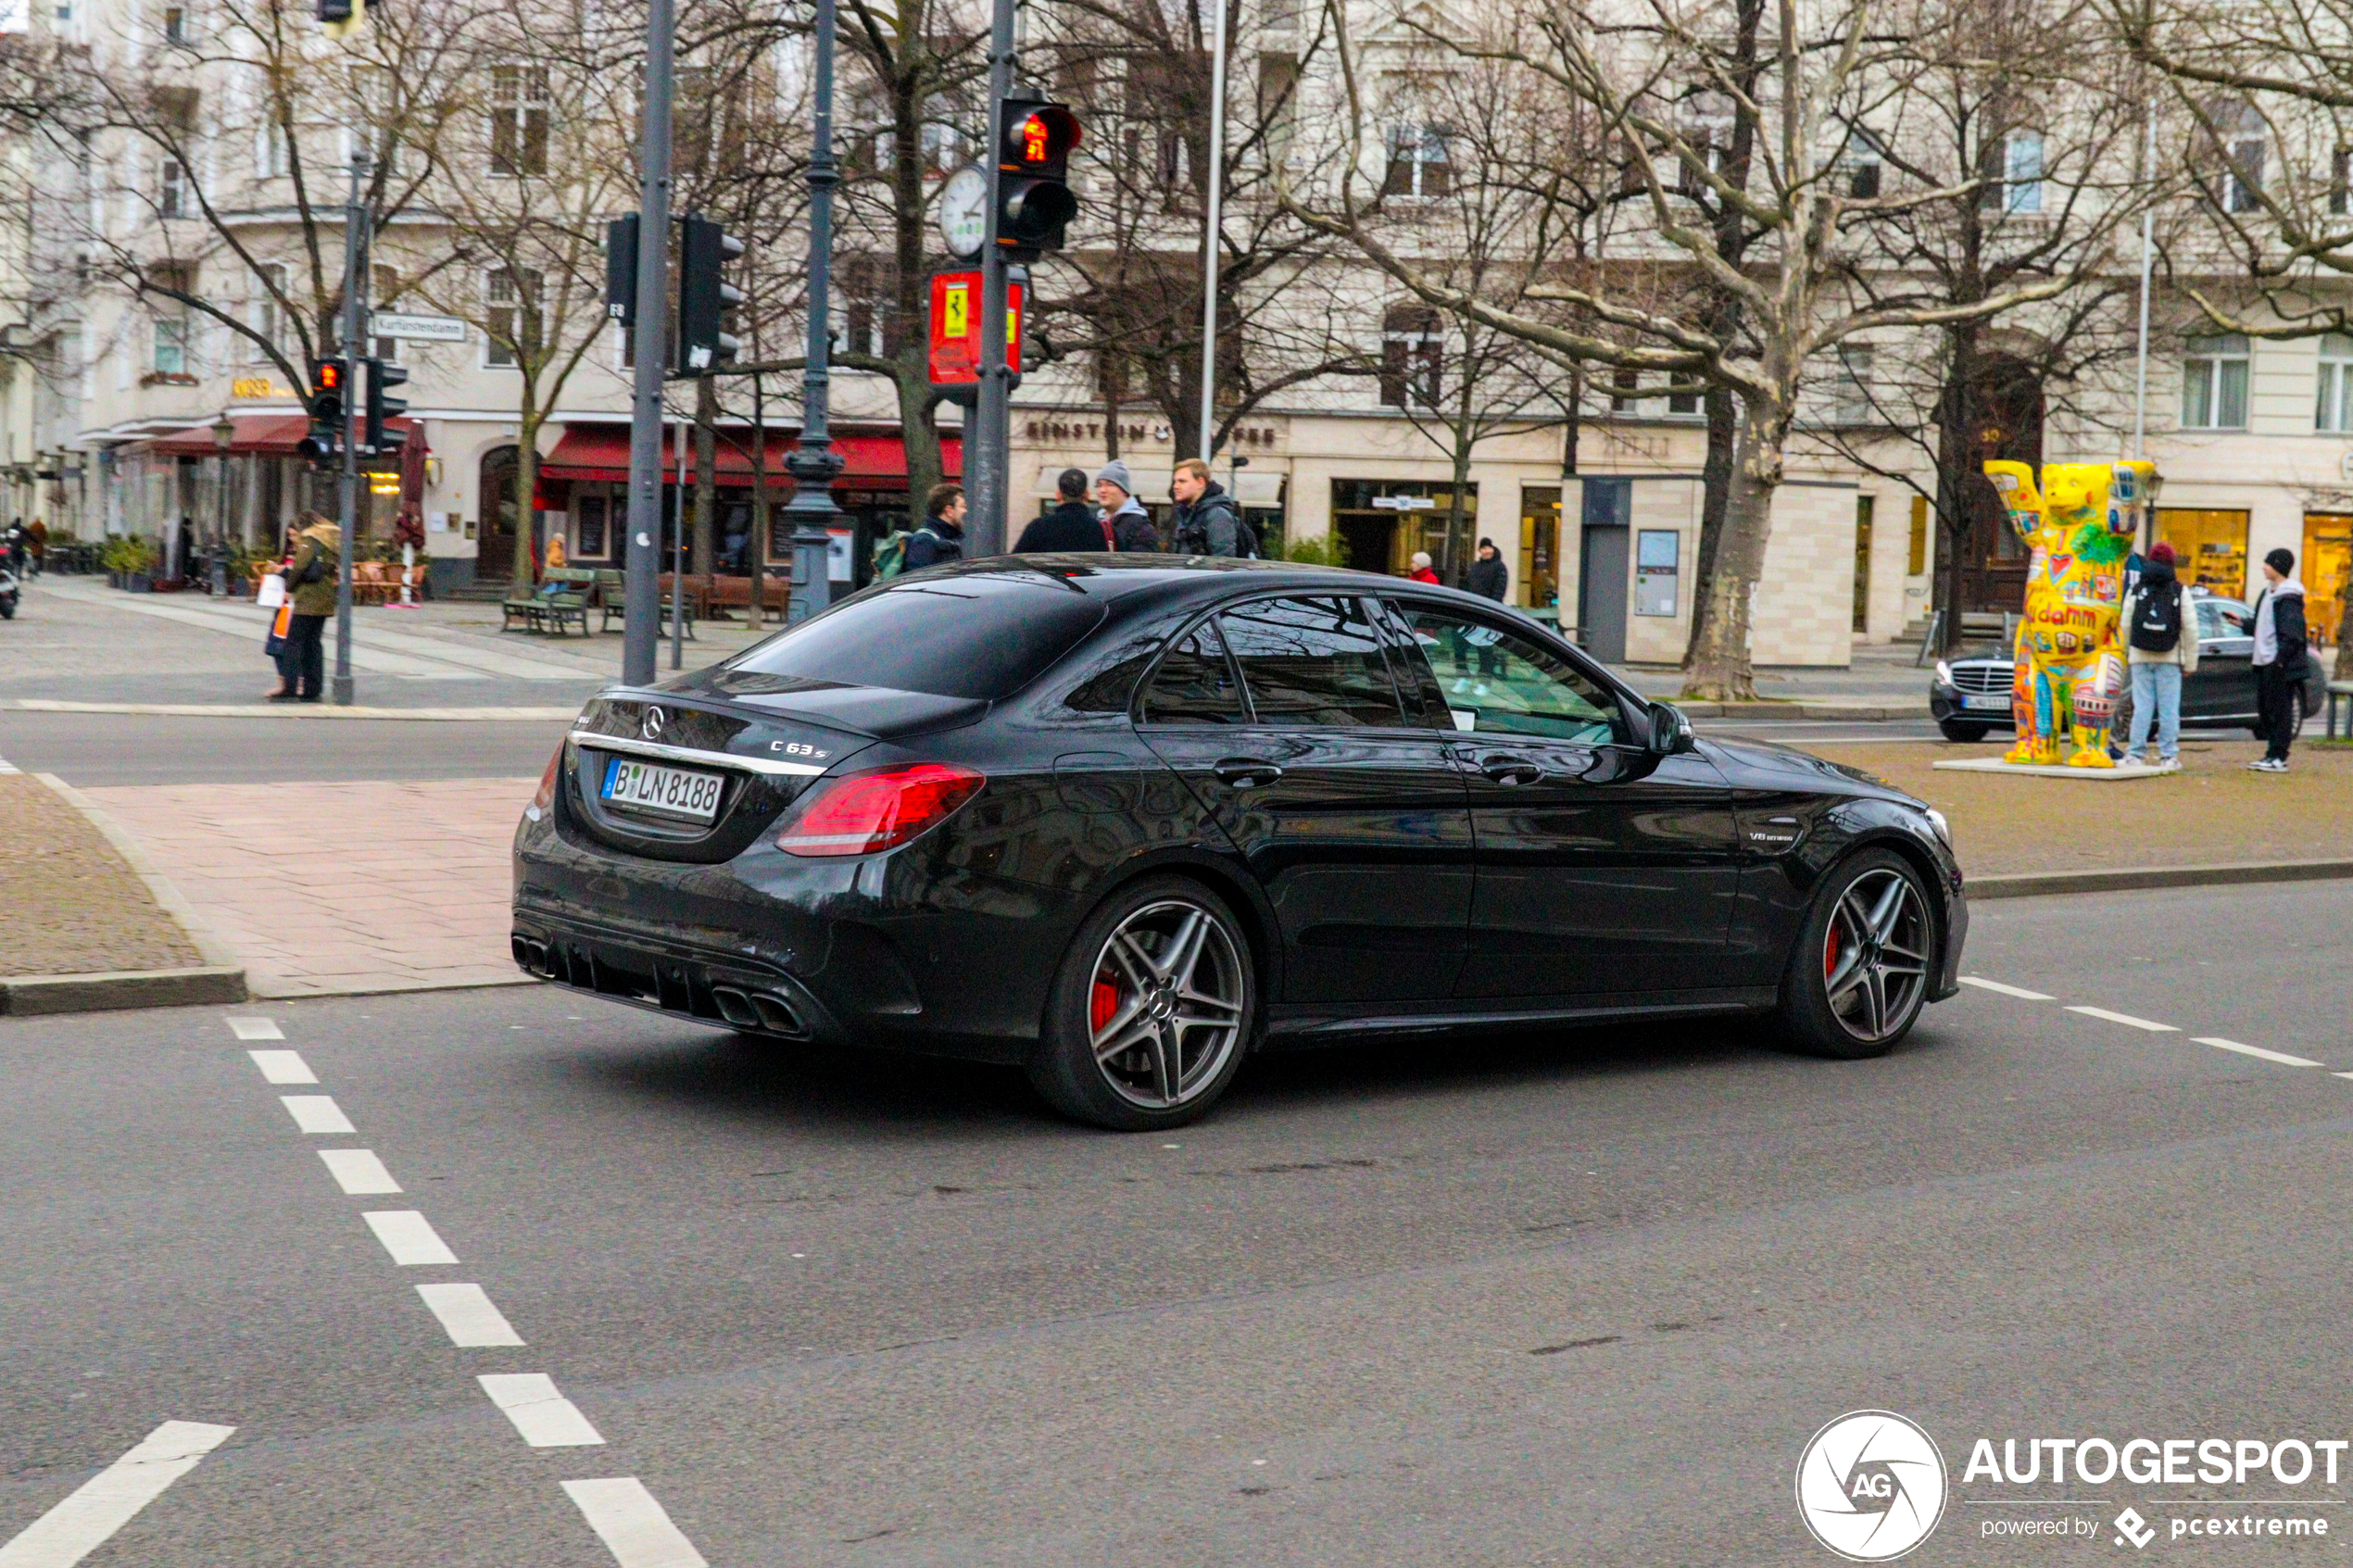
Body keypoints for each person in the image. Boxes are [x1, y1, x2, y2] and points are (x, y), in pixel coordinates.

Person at [2118, 540, 2198, 769]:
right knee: (2168, 709)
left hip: (2140, 656)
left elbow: (2125, 624)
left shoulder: (2138, 589)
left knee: (2141, 707)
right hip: (2169, 658)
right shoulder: (2179, 590)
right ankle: (2168, 756)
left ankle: (2135, 753)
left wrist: (2125, 655)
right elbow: (2191, 629)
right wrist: (2190, 662)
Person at [2248, 546, 2309, 772]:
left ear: (2279, 567)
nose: (2264, 567)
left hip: (2279, 663)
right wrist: (2243, 624)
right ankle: (2271, 754)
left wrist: (2280, 660)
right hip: (2265, 660)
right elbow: (2263, 625)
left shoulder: (2288, 597)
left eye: (2268, 563)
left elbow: (2291, 633)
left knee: (2280, 711)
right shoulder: (2268, 592)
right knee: (2267, 710)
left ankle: (2278, 756)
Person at [277, 511, 339, 702]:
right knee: (313, 644)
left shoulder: (310, 539)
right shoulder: (329, 541)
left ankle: (290, 687)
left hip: (308, 599)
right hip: (324, 598)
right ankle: (313, 688)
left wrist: (288, 587)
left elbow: (300, 566)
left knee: (293, 643)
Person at [1169, 458, 1250, 557]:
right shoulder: (1186, 514)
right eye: (1175, 481)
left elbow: (1222, 561)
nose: (1175, 486)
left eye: (1182, 481)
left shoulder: (1217, 515)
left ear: (1200, 483)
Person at [1014, 468, 1108, 553]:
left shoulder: (1037, 527)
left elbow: (1016, 562)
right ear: (1087, 495)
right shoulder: (1102, 530)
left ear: (1058, 495)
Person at [1096, 459, 1160, 553]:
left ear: (1124, 491)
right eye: (1099, 485)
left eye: (1110, 484)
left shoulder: (1140, 526)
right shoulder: (1097, 521)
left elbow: (1141, 563)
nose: (1102, 490)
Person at [902, 483, 966, 571]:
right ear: (949, 511)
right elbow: (919, 581)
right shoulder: (923, 542)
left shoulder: (947, 540)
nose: (965, 511)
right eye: (962, 506)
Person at [1466, 537, 1508, 601]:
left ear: (1492, 549)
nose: (1487, 551)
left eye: (1489, 548)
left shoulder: (1499, 567)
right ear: (1480, 551)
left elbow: (1500, 589)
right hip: (1475, 604)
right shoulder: (1475, 567)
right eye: (1484, 548)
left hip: (1489, 607)